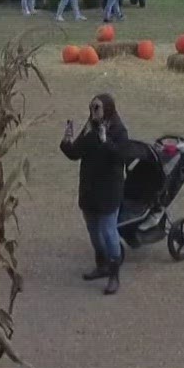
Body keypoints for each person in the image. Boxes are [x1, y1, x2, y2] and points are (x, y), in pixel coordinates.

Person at [60, 93, 131, 294]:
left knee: (109, 232)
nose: (94, 112)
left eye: (97, 108)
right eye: (92, 108)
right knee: (94, 232)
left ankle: (114, 274)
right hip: (90, 189)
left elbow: (120, 157)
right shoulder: (90, 127)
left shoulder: (118, 130)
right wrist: (67, 140)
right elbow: (75, 153)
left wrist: (104, 139)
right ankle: (101, 265)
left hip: (108, 190)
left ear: (108, 109)